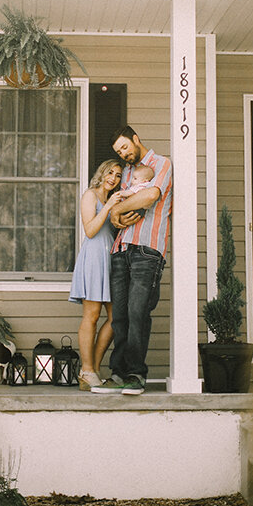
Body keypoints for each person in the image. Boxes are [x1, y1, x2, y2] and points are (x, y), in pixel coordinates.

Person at [91, 125, 173, 396]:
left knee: (138, 312)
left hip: (147, 250)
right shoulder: (124, 173)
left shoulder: (162, 163)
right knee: (120, 317)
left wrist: (116, 209)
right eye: (118, 151)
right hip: (119, 250)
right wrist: (116, 213)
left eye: (125, 147)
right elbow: (116, 214)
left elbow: (149, 196)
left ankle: (136, 375)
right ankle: (118, 374)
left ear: (136, 140)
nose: (123, 154)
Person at [68, 159, 124, 390]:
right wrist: (109, 205)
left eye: (119, 175)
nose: (113, 178)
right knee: (91, 316)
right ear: (102, 173)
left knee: (115, 318)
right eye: (110, 172)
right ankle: (87, 369)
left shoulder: (116, 200)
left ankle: (92, 369)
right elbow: (90, 230)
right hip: (93, 257)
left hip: (111, 259)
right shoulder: (90, 195)